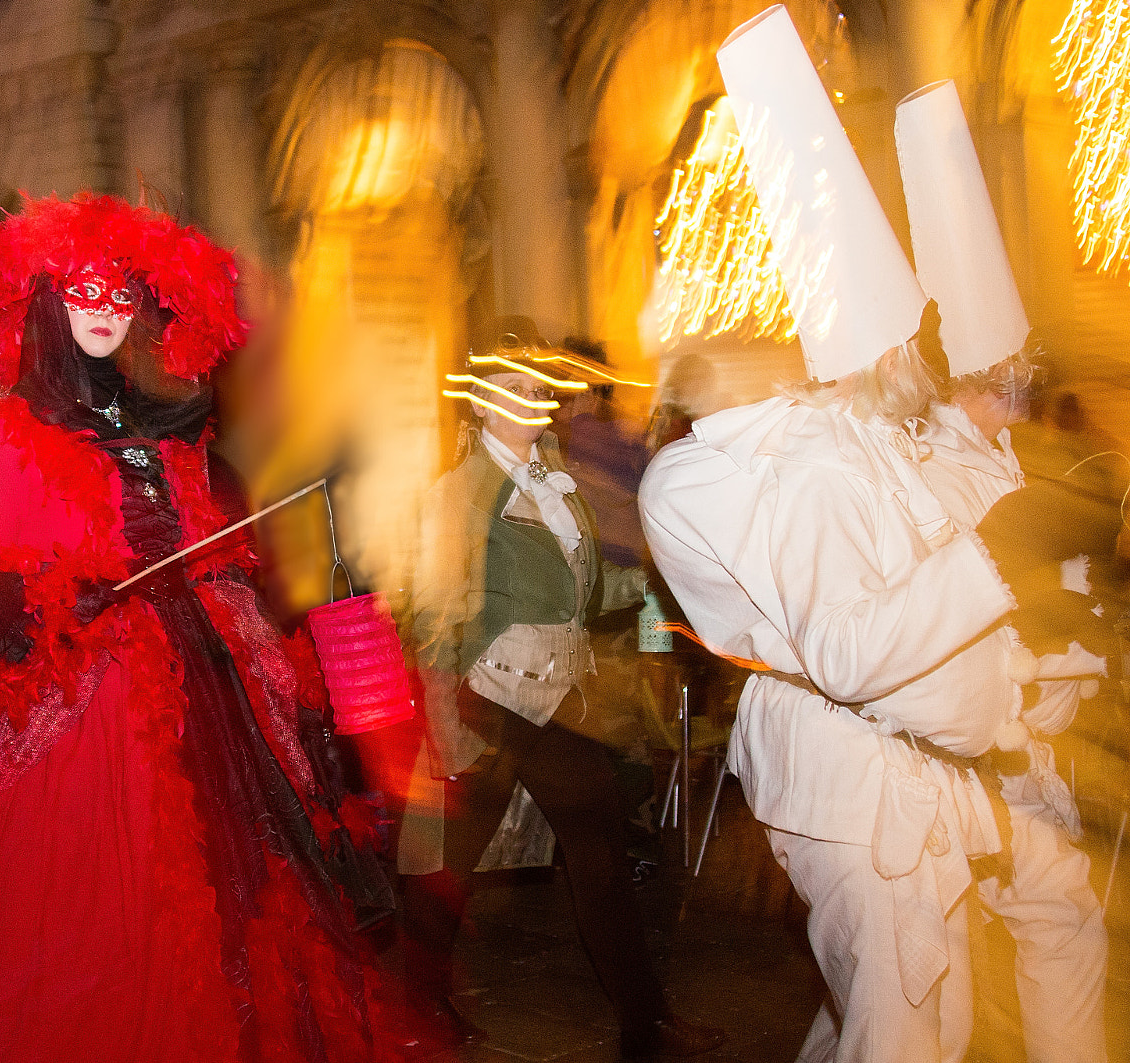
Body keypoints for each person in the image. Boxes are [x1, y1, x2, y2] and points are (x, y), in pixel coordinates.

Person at [0, 193, 406, 1063]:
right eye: (82, 291)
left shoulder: (163, 426)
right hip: (76, 707)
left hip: (196, 687)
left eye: (120, 295)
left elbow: (200, 543)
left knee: (218, 891)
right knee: (83, 913)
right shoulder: (14, 432)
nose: (103, 310)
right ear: (49, 304)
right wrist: (63, 603)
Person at [640, 9, 1018, 1061]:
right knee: (899, 1027)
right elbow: (845, 640)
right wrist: (993, 561)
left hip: (898, 763)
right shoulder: (754, 462)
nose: (930, 359)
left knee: (899, 1016)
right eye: (911, 338)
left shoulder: (838, 438)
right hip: (851, 766)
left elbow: (931, 507)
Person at [400, 319, 724, 1059]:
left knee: (588, 855)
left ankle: (645, 1022)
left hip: (557, 692)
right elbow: (432, 609)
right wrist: (450, 717)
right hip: (494, 693)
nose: (529, 402)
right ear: (480, 404)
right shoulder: (459, 492)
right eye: (512, 390)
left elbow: (584, 588)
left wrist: (657, 585)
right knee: (456, 863)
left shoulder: (556, 480)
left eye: (539, 391)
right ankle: (418, 1003)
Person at [897, 81, 1109, 1063]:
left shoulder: (1005, 454)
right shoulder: (929, 463)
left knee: (978, 953)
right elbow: (962, 604)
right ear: (984, 374)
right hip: (958, 745)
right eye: (1016, 362)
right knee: (925, 980)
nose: (1030, 375)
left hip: (1016, 741)